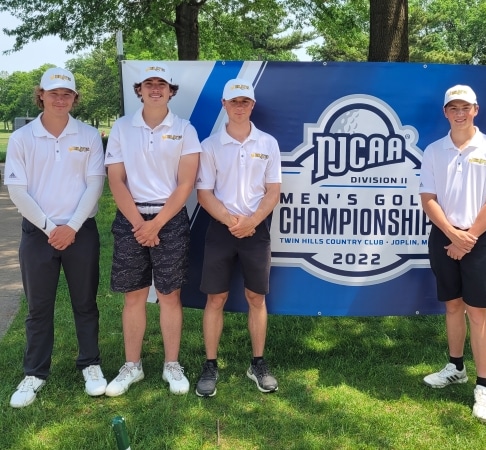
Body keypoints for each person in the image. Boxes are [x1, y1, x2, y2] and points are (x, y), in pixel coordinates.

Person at [5, 67, 107, 407]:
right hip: (39, 233)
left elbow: (95, 183)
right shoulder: (23, 138)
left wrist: (72, 227)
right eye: (53, 93)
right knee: (38, 307)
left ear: (75, 98)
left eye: (67, 94)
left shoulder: (89, 135)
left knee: (85, 303)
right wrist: (53, 229)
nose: (60, 98)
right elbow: (16, 190)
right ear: (41, 96)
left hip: (81, 231)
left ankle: (90, 364)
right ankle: (34, 373)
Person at [104, 62, 201, 396]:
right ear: (139, 91)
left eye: (162, 84)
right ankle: (132, 365)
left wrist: (156, 224)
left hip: (169, 220)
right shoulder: (121, 127)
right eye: (149, 84)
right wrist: (138, 224)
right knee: (133, 296)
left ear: (171, 91)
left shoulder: (185, 129)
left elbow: (186, 183)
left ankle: (171, 364)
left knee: (169, 295)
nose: (155, 89)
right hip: (131, 219)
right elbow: (115, 180)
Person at [419, 85, 486, 422]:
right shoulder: (433, 150)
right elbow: (427, 198)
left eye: (465, 107)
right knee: (453, 306)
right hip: (444, 236)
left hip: (478, 240)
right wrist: (452, 235)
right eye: (453, 108)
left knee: (477, 312)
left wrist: (467, 238)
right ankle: (456, 366)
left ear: (476, 109)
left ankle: (484, 387)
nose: (459, 113)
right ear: (445, 113)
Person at [194, 78, 282, 397]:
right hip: (221, 229)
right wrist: (232, 221)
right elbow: (204, 193)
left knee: (256, 298)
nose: (240, 107)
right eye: (234, 102)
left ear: (253, 105)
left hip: (256, 230)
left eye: (245, 101)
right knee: (215, 298)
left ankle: (257, 363)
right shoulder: (210, 146)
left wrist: (252, 222)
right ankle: (210, 365)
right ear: (224, 105)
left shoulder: (268, 144)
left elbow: (273, 191)